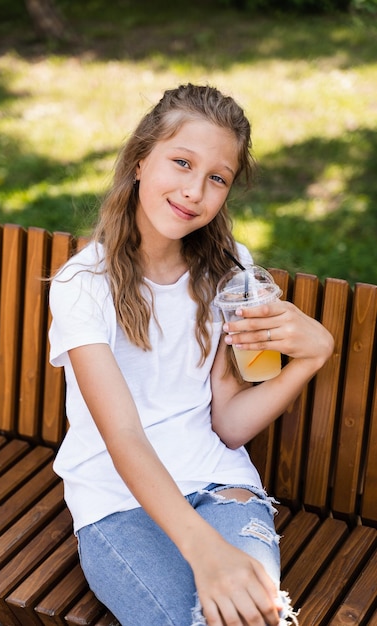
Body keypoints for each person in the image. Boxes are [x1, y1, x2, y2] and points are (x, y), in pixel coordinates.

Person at [48, 83, 334, 626]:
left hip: (220, 485)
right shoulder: (83, 284)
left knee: (252, 619)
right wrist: (206, 553)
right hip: (116, 501)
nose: (194, 190)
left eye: (216, 178)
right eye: (181, 162)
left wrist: (312, 356)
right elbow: (123, 437)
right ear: (138, 160)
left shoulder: (231, 274)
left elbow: (228, 424)